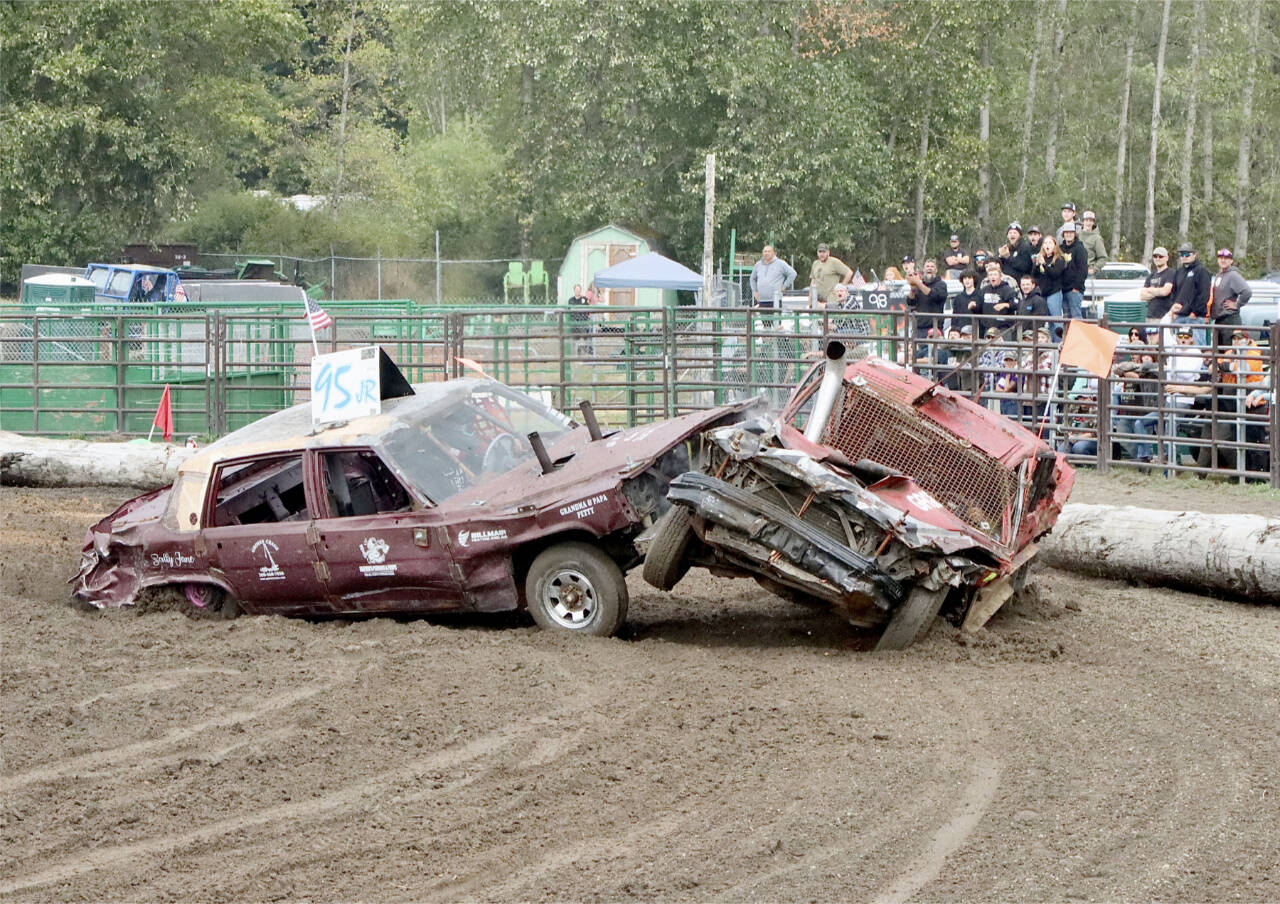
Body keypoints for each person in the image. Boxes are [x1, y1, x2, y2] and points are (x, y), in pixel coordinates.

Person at [1207, 248, 1252, 339]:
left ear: (1231, 261)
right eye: (1220, 258)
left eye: (1226, 258)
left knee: (1229, 351)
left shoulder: (1233, 275)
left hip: (1230, 320)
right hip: (1219, 320)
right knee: (1218, 352)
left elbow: (1247, 291)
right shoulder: (1219, 275)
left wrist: (1237, 304)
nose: (1223, 260)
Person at [1170, 243, 1211, 342]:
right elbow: (1174, 293)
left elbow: (1204, 294)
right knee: (1177, 348)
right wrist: (1174, 311)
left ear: (1194, 254)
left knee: (1197, 347)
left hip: (1195, 318)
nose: (1184, 257)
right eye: (1182, 254)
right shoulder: (1179, 272)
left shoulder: (1201, 271)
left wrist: (1196, 312)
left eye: (1187, 254)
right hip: (1179, 316)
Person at [905, 257, 947, 339]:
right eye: (927, 266)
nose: (929, 268)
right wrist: (913, 289)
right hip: (919, 328)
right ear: (924, 269)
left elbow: (933, 294)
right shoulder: (919, 285)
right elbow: (910, 302)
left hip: (935, 329)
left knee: (935, 351)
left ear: (936, 270)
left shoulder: (941, 285)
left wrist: (918, 283)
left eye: (932, 267)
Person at [1032, 233, 1067, 321]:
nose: (1047, 245)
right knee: (1047, 321)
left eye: (1050, 243)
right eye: (1045, 243)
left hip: (1054, 292)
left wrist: (1044, 264)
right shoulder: (1040, 257)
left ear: (1055, 245)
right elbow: (1034, 275)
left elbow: (1055, 274)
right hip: (1043, 292)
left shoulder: (1059, 259)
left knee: (1056, 320)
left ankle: (1058, 334)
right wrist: (1037, 265)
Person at [1059, 223, 1089, 320]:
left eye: (1071, 232)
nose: (1069, 234)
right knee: (1066, 317)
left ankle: (1077, 335)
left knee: (1076, 317)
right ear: (1063, 234)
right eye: (1066, 232)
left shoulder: (1080, 249)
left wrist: (1076, 287)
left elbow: (1083, 270)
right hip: (1062, 289)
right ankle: (1067, 335)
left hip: (1074, 290)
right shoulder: (1060, 249)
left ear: (1075, 233)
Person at [979, 259, 1018, 334]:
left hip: (1003, 328)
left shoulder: (1007, 289)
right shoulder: (984, 290)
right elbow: (979, 307)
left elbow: (1017, 303)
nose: (993, 277)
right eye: (990, 275)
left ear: (1000, 276)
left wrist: (1006, 305)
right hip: (988, 328)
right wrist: (974, 306)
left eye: (995, 274)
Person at [1141, 247, 1175, 320]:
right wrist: (1158, 292)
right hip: (1150, 316)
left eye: (1160, 256)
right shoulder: (1151, 275)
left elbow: (1165, 291)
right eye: (1155, 256)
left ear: (1167, 258)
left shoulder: (1171, 273)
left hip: (1165, 317)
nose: (1157, 258)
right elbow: (1142, 296)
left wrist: (1150, 290)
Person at [1079, 210, 1110, 275]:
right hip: (1076, 272)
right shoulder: (1076, 235)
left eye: (1091, 221)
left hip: (1088, 273)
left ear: (1093, 222)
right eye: (1086, 220)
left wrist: (1094, 269)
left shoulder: (1097, 238)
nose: (1088, 223)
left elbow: (1103, 258)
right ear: (1083, 222)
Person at [953, 269, 981, 334]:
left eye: (969, 278)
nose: (967, 280)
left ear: (974, 279)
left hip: (976, 331)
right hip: (961, 331)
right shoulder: (958, 297)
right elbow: (955, 316)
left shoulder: (980, 295)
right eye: (965, 278)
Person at [568, 283, 592, 352]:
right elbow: (570, 310)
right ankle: (576, 349)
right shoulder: (571, 300)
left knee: (584, 331)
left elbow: (587, 309)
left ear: (580, 290)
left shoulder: (584, 299)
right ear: (574, 290)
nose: (577, 291)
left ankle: (583, 348)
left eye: (579, 290)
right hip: (574, 321)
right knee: (574, 335)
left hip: (583, 320)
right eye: (576, 290)